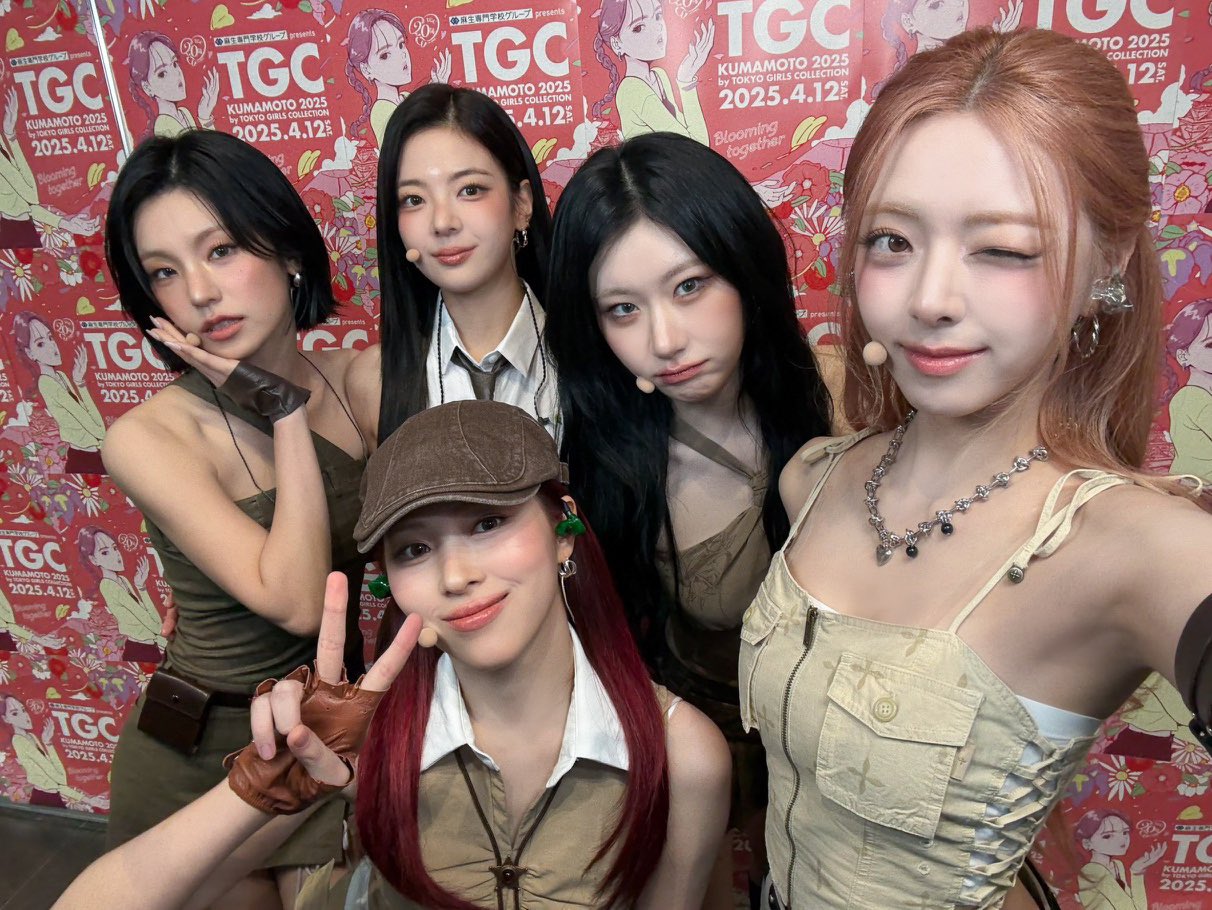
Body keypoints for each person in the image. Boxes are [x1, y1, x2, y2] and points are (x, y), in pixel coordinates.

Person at [742, 28, 1212, 909]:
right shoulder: (814, 478)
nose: (929, 299)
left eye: (1004, 249)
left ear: (1106, 264)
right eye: (891, 240)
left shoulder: (1130, 549)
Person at [54, 400, 731, 910]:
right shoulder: (367, 742)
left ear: (563, 530)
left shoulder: (681, 753)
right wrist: (264, 786)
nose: (456, 574)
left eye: (488, 521)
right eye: (415, 549)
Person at [546, 131, 830, 904]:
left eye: (690, 286)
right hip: (704, 783)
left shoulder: (849, 406)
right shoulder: (601, 479)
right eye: (623, 309)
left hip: (864, 781)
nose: (665, 340)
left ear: (744, 265)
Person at [101, 129, 369, 909]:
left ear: (286, 248)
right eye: (164, 271)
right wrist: (283, 412)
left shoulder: (363, 383)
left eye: (219, 251)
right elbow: (294, 600)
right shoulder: (147, 437)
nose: (198, 292)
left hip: (322, 734)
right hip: (195, 754)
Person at [346, 85, 558, 449]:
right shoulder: (374, 381)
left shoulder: (591, 361)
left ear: (522, 204)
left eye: (470, 190)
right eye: (414, 199)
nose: (442, 222)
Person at [590, 0, 714, 143]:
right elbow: (696, 145)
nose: (657, 28)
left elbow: (689, 140)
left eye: (658, 16)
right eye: (638, 28)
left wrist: (686, 77)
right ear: (617, 44)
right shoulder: (633, 91)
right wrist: (686, 81)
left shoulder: (658, 75)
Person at [11, 312, 106, 473]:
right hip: (83, 458)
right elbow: (86, 420)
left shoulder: (60, 376)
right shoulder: (46, 383)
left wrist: (79, 383)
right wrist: (106, 439)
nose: (52, 346)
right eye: (41, 344)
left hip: (93, 454)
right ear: (30, 353)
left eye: (50, 338)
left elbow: (90, 417)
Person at [344, 9, 451, 149]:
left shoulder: (406, 97)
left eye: (401, 45)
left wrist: (435, 97)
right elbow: (410, 149)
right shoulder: (381, 110)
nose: (401, 55)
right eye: (385, 55)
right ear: (366, 69)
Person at [1, 693, 107, 811]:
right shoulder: (19, 741)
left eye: (23, 710)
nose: (24, 716)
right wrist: (88, 800)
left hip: (51, 796)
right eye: (15, 713)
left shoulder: (31, 737)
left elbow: (59, 777)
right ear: (6, 719)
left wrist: (48, 743)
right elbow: (57, 780)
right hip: (44, 797)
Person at [76, 525, 165, 662]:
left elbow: (153, 620)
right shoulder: (108, 586)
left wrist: (141, 587)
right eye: (105, 552)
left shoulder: (122, 580)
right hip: (139, 650)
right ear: (94, 560)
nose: (116, 555)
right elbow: (152, 624)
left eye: (115, 548)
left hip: (150, 647)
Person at [126, 32, 219, 138]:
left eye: (174, 64)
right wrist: (205, 119)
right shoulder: (163, 126)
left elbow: (206, 147)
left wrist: (204, 115)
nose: (176, 74)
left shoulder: (184, 112)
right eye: (162, 74)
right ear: (147, 88)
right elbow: (202, 148)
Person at [1074, 809, 1163, 910]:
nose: (1121, 839)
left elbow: (1140, 908)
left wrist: (1137, 872)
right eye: (1107, 836)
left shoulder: (1117, 865)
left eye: (1125, 832)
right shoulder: (1092, 871)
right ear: (1087, 843)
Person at [1166, 298, 1212, 479]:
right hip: (1201, 485)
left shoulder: (1196, 394)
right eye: (1210, 345)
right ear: (1183, 356)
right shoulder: (1194, 398)